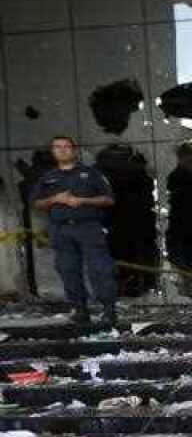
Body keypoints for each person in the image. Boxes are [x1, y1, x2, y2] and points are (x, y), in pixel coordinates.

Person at [31, 136, 117, 325]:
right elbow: (37, 203)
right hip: (61, 229)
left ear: (74, 150)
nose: (62, 150)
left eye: (66, 147)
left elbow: (109, 199)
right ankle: (80, 309)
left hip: (88, 226)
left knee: (99, 269)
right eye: (57, 147)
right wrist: (55, 199)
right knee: (67, 269)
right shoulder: (47, 178)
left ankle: (109, 310)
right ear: (53, 152)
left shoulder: (91, 174)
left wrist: (83, 201)